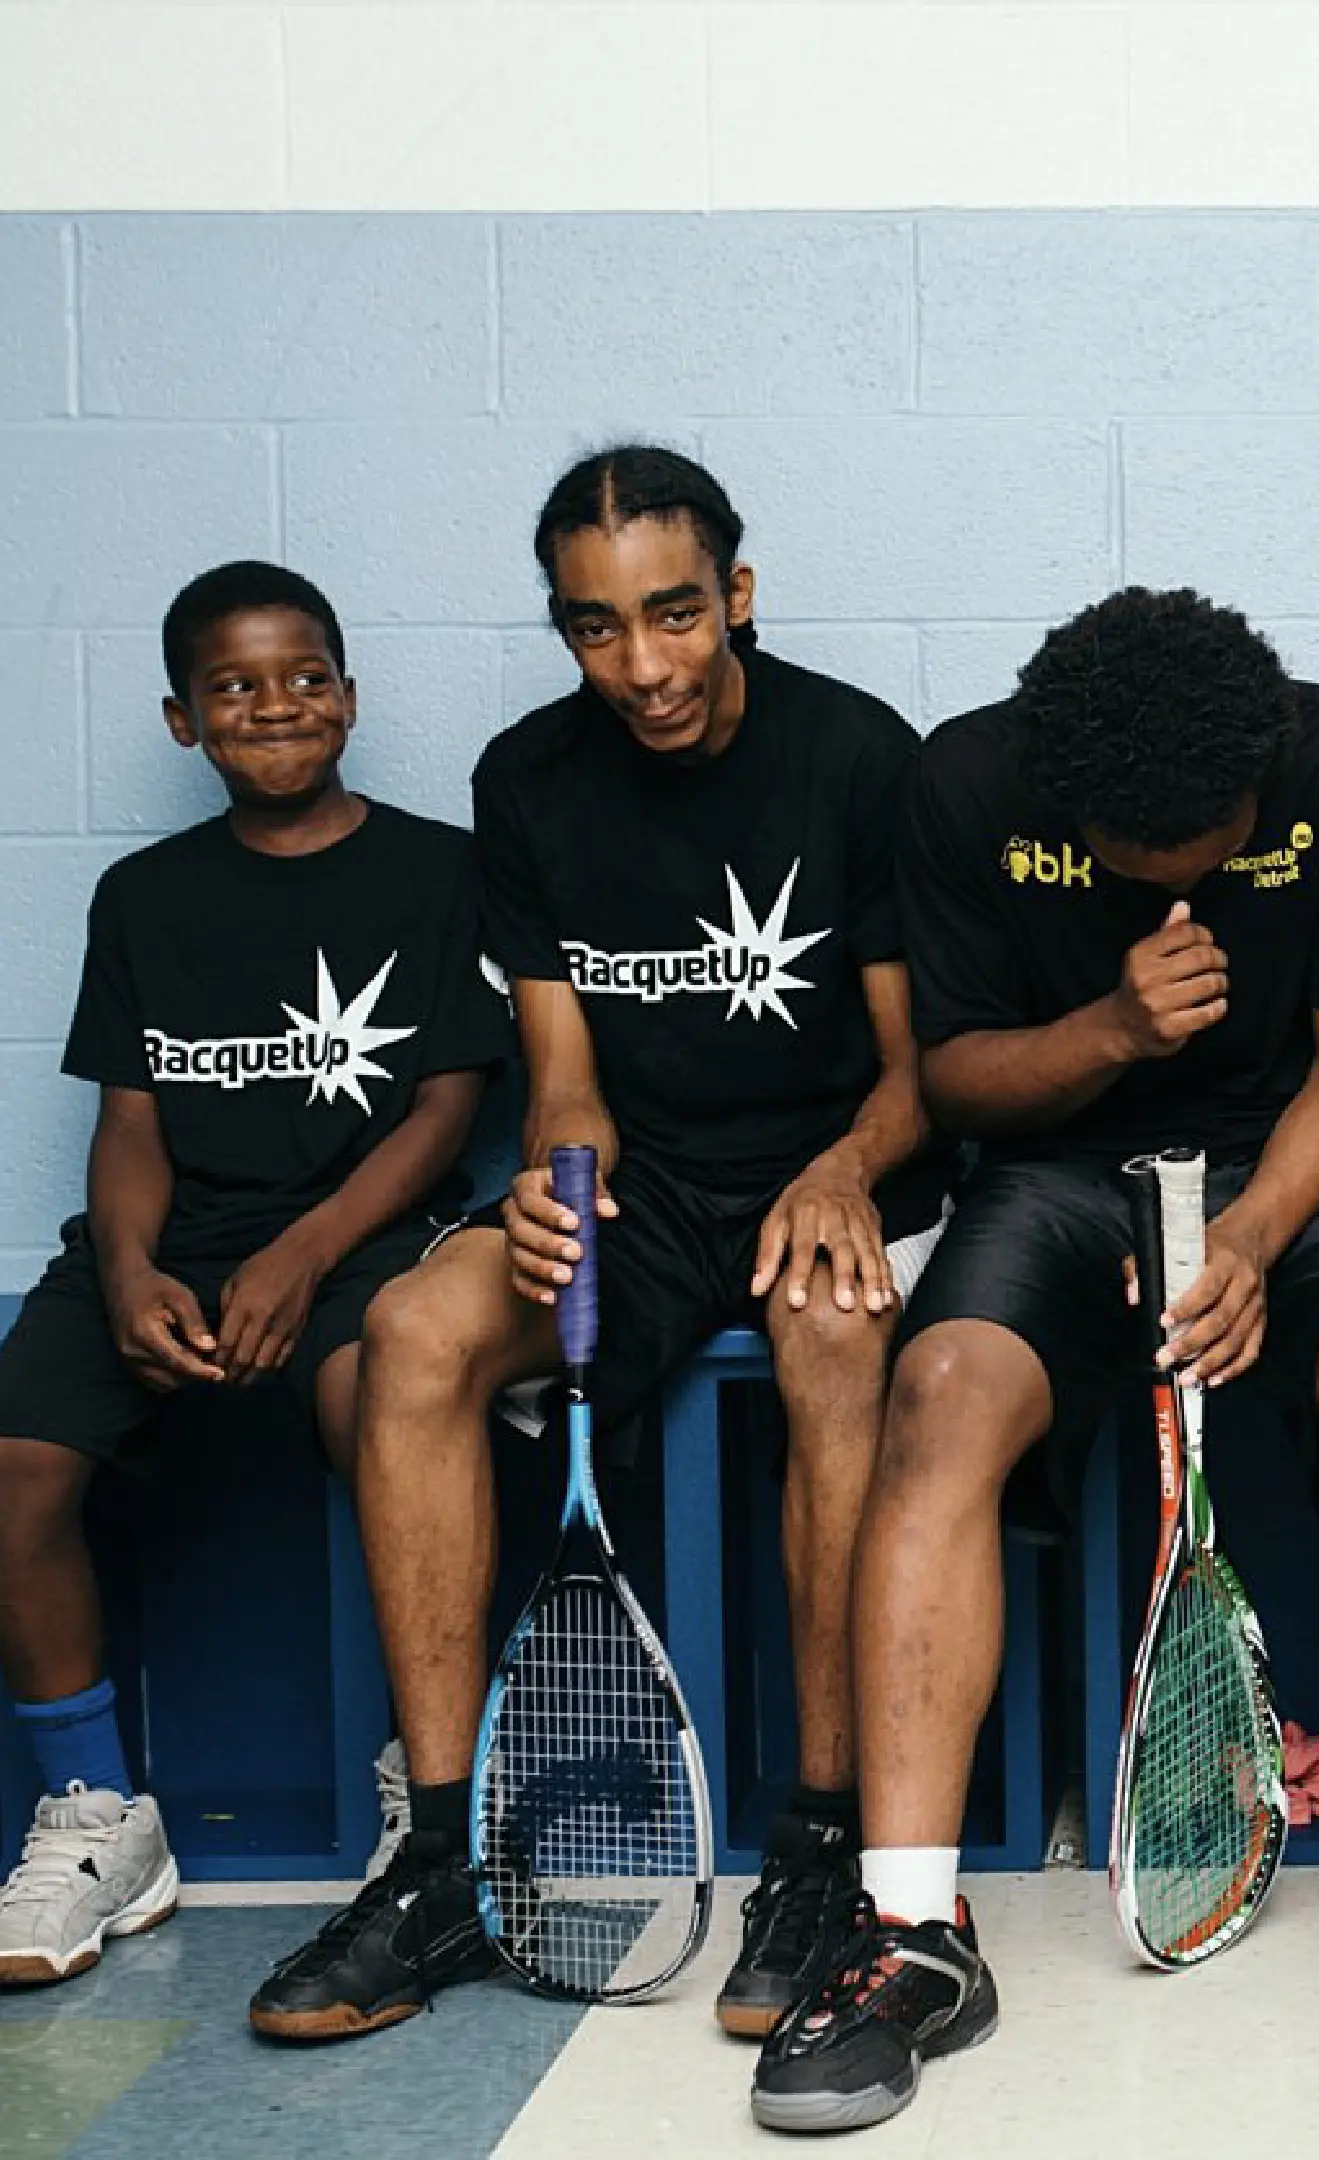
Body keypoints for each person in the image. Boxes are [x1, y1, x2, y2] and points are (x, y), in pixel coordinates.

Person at [750, 585, 1319, 2134]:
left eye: (1230, 835)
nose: (1212, 866)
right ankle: (906, 1933)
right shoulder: (963, 783)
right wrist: (1118, 1034)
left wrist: (1258, 1235)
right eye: (1169, 860)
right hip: (1056, 1175)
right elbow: (953, 1080)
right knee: (936, 1400)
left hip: (1294, 1172)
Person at [249, 448, 937, 2042]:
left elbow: (920, 1076)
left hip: (841, 1169)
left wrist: (840, 1170)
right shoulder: (533, 778)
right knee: (414, 1338)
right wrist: (563, 1172)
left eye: (676, 615)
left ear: (738, 599)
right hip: (653, 1193)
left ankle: (824, 1849)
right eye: (597, 628)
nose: (642, 667)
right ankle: (450, 1868)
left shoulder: (857, 757)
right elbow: (563, 1072)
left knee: (834, 1338)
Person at [0, 563, 502, 1989]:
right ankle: (97, 1814)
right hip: (183, 1245)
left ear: (349, 695)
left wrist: (305, 1250)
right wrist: (130, 1267)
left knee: (386, 1418)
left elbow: (446, 1112)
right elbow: (132, 1123)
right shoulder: (145, 896)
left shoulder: (435, 868)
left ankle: (434, 1787)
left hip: (365, 1239)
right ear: (183, 720)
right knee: (18, 1461)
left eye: (303, 677)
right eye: (235, 686)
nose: (275, 705)